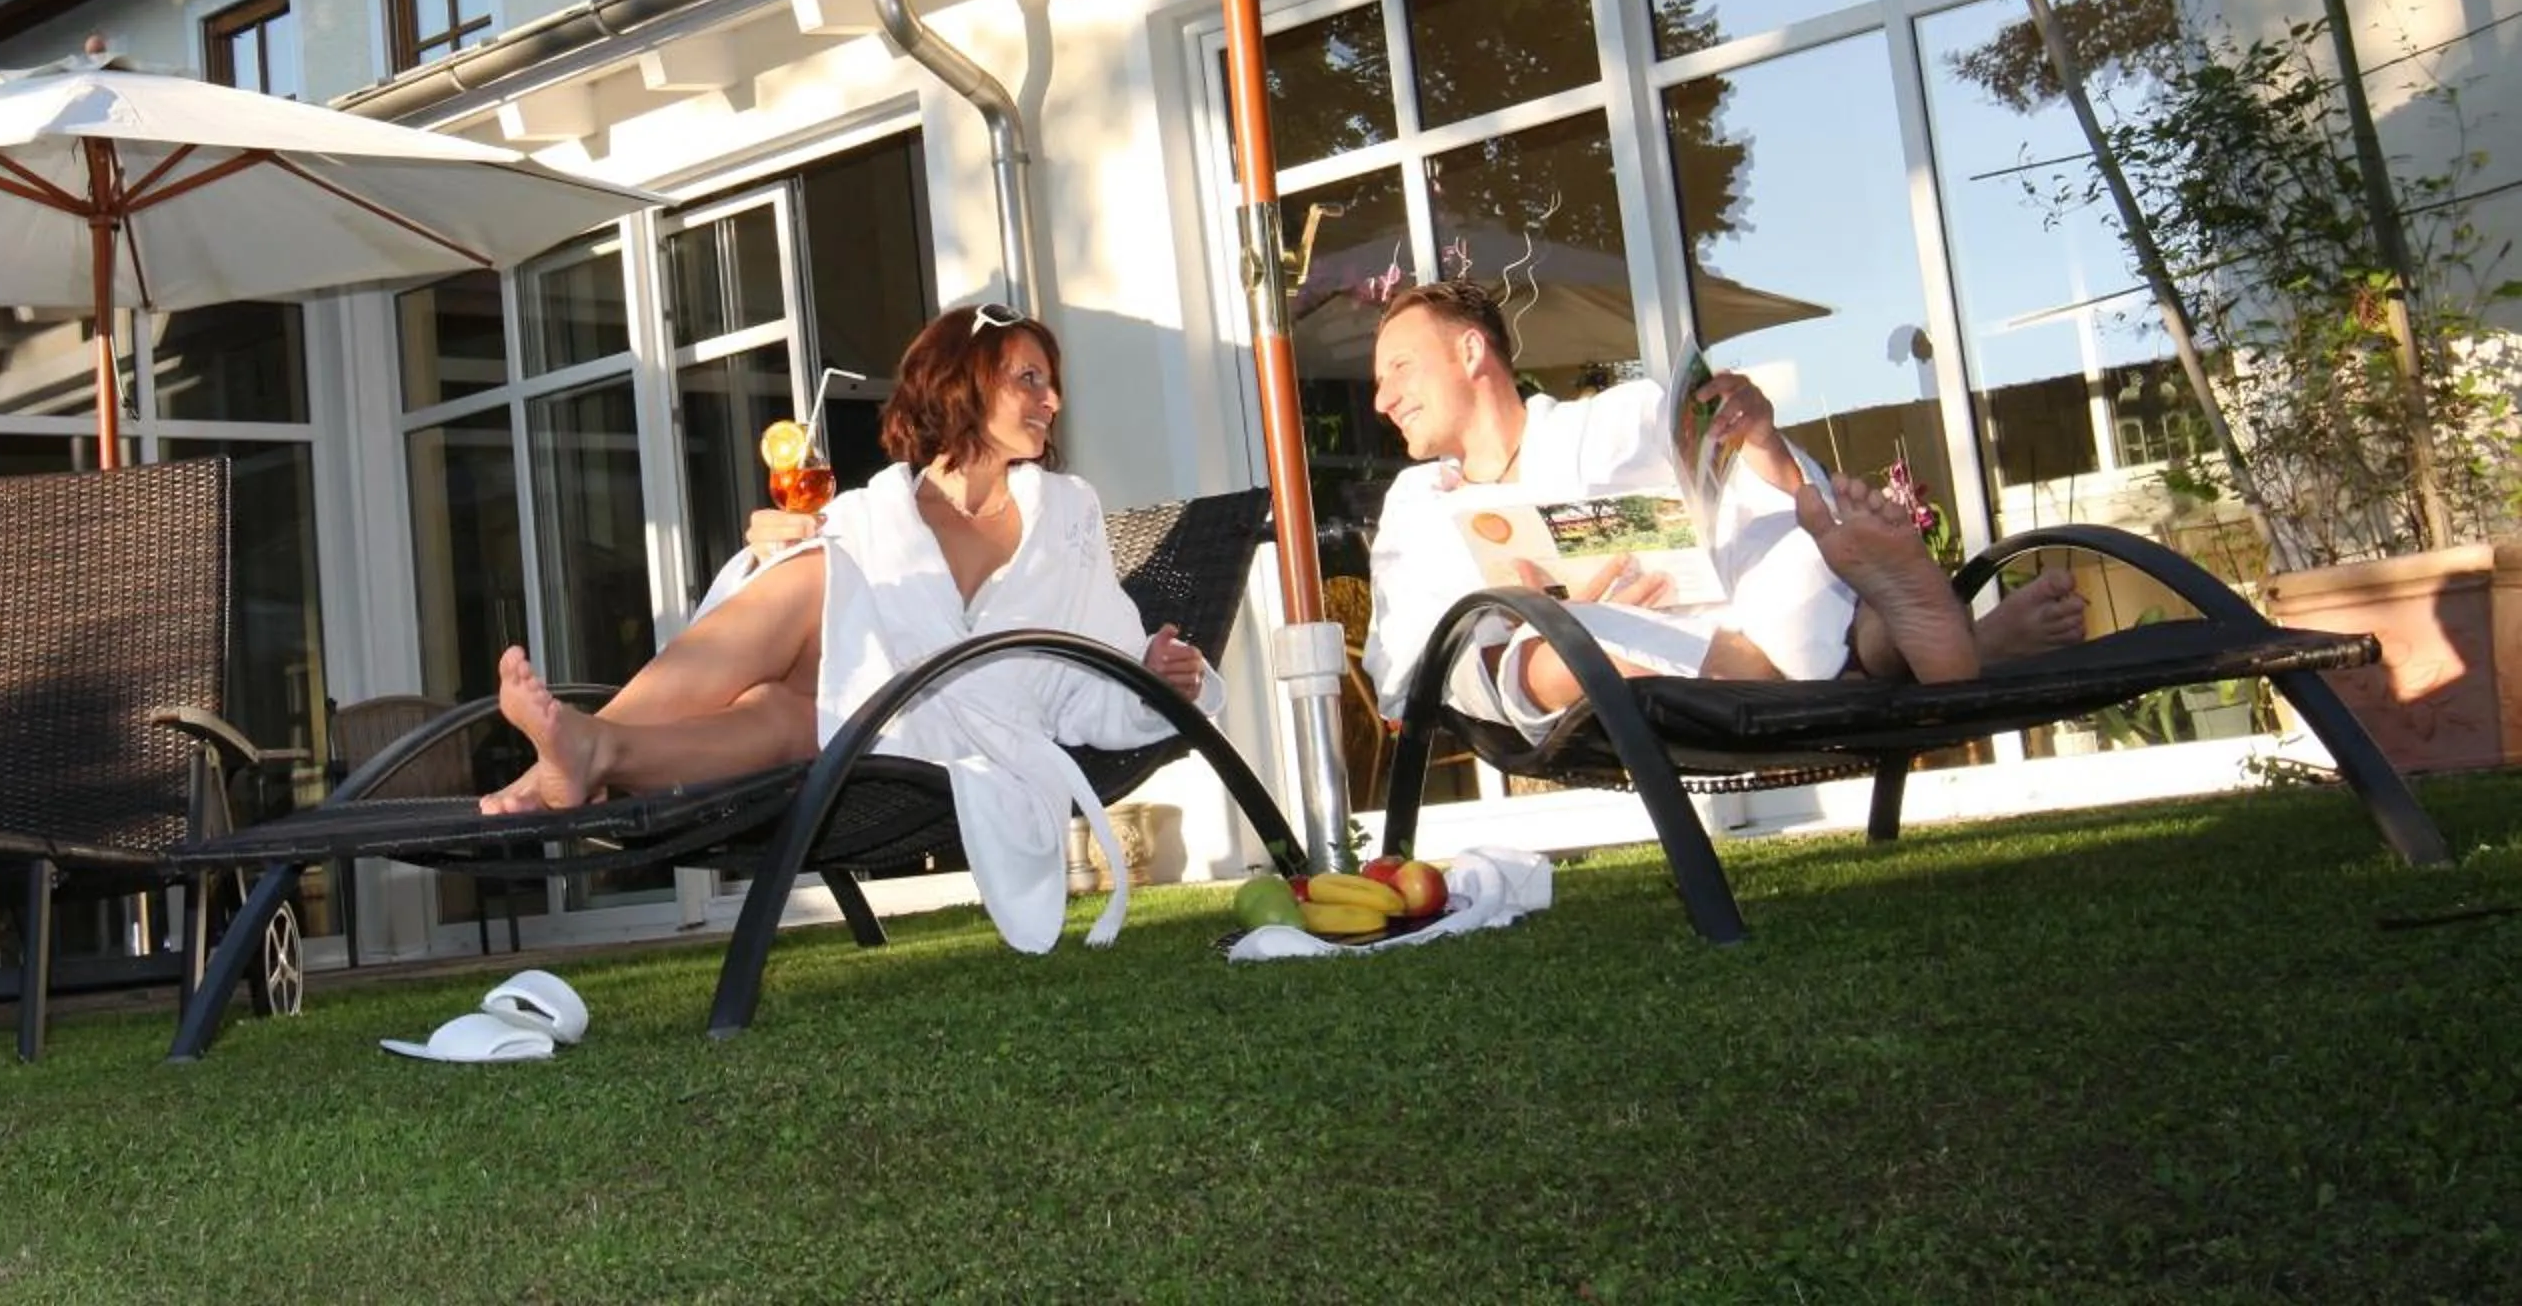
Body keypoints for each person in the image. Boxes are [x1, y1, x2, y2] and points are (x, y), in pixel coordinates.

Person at [479, 301, 1219, 952]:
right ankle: (593, 747)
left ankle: (569, 755)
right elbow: (779, 602)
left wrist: (1150, 674)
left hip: (954, 732)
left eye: (1049, 383)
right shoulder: (874, 512)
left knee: (809, 586)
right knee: (782, 682)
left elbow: (1090, 663)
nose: (1051, 399)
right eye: (1028, 378)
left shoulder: (1067, 514)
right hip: (849, 721)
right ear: (963, 380)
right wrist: (764, 552)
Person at [1362, 279, 2083, 736]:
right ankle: (1935, 646)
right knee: (1577, 652)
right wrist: (1520, 607)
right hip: (1558, 659)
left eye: (1398, 368)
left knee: (1775, 533)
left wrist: (1761, 443)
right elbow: (1400, 675)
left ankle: (1897, 628)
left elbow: (1743, 517)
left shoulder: (1625, 418)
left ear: (1469, 352)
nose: (1381, 398)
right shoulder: (1417, 508)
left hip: (1732, 625)